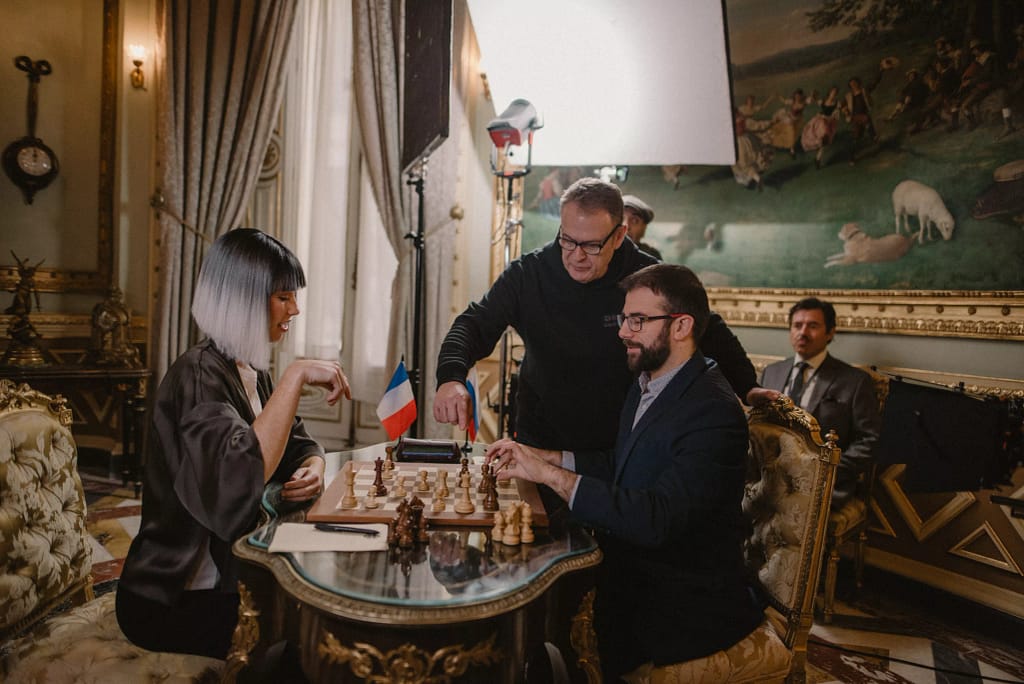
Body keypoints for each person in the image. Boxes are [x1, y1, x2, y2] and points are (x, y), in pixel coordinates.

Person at [485, 263, 764, 680]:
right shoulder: (651, 380)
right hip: (635, 570)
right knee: (527, 600)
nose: (622, 331)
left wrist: (548, 476)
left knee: (535, 612)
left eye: (637, 320)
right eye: (624, 318)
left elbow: (657, 519)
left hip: (678, 603)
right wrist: (544, 457)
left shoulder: (712, 411)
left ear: (681, 326)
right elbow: (625, 464)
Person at [116, 229, 351, 664]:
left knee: (321, 621)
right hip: (172, 599)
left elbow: (297, 442)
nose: (295, 309)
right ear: (244, 300)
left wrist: (314, 464)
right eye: (283, 297)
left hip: (224, 580)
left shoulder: (249, 369)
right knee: (316, 640)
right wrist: (297, 375)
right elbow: (239, 479)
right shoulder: (198, 376)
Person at [434, 177, 764, 453]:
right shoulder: (528, 273)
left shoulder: (647, 274)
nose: (576, 256)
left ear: (619, 236)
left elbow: (706, 327)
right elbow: (474, 324)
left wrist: (748, 387)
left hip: (620, 441)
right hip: (542, 435)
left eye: (592, 246)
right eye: (567, 240)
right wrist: (451, 377)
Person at [760, 297, 881, 508]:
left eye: (813, 326)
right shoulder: (772, 373)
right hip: (768, 477)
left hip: (824, 485)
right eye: (797, 325)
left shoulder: (855, 381)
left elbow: (869, 440)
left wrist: (826, 471)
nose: (803, 333)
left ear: (830, 332)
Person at [621, 194, 662, 259]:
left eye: (635, 220)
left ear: (644, 228)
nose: (626, 226)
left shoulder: (651, 257)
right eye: (621, 219)